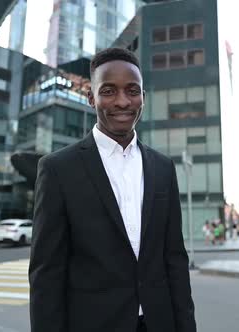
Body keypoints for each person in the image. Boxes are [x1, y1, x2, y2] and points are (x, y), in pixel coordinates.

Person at [29, 48, 197, 332]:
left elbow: (175, 261)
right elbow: (47, 276)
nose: (122, 101)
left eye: (132, 90)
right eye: (109, 91)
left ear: (143, 96)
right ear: (91, 98)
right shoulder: (58, 169)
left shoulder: (163, 168)